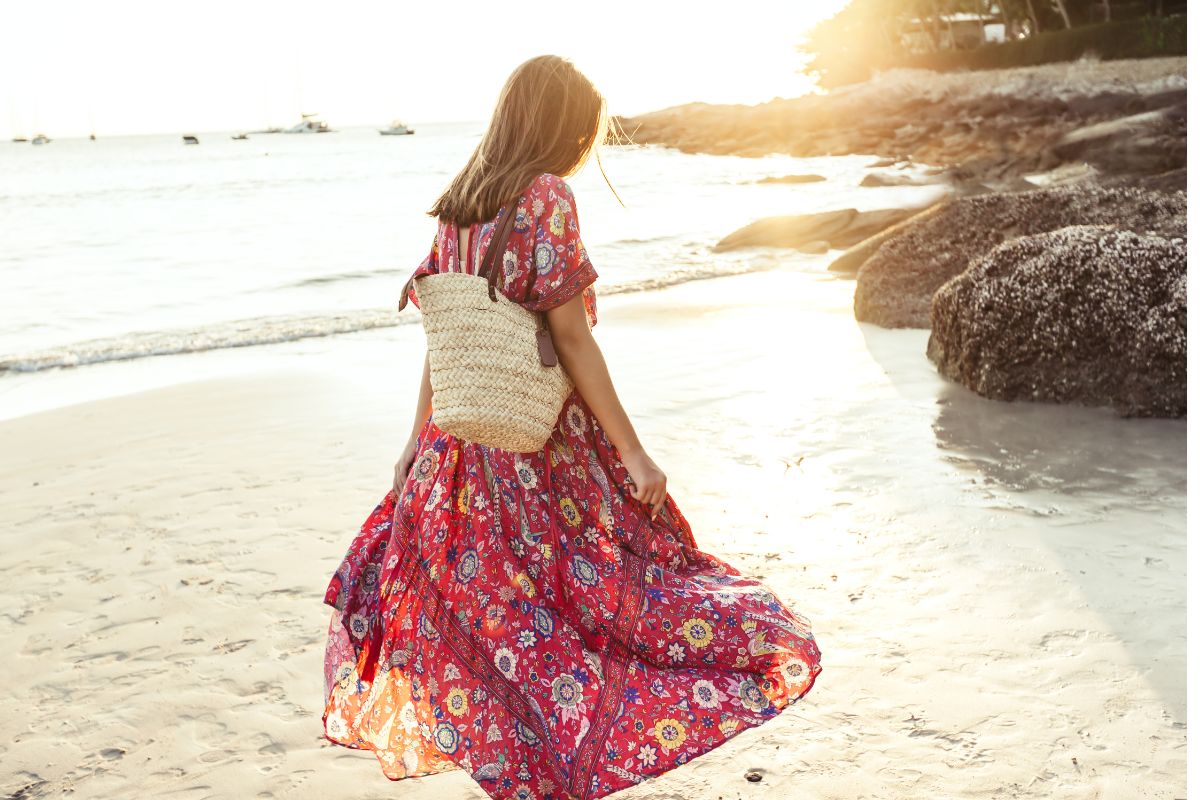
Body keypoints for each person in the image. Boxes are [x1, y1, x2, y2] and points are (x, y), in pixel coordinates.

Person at [321, 54, 821, 800]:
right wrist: (635, 452)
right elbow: (574, 339)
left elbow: (449, 338)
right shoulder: (545, 195)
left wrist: (411, 444)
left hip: (458, 458)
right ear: (562, 126)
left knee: (507, 625)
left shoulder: (459, 202)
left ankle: (527, 775)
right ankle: (558, 771)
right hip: (539, 455)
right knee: (604, 606)